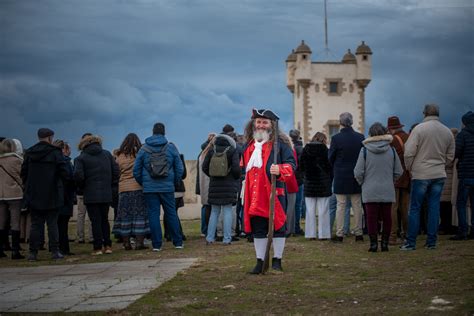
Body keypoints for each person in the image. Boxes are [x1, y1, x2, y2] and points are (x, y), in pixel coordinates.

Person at [242, 108, 296, 273]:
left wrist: (279, 169)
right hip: (255, 195)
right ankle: (260, 261)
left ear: (271, 125)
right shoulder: (249, 147)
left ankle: (277, 260)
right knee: (258, 229)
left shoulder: (281, 145)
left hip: (274, 193)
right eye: (258, 122)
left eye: (264, 122)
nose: (261, 125)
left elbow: (291, 164)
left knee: (278, 228)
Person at [401, 104, 455, 250]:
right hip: (438, 173)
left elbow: (408, 152)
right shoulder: (447, 131)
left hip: (421, 173)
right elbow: (450, 156)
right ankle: (431, 242)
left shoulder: (419, 129)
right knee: (434, 207)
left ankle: (411, 242)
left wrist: (410, 167)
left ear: (424, 113)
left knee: (415, 208)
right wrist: (442, 165)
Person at [133, 122, 184, 251]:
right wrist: (174, 181)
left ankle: (157, 244)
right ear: (164, 132)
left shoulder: (144, 149)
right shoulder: (171, 148)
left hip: (150, 188)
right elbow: (179, 168)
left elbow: (136, 170)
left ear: (152, 132)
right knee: (171, 213)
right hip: (167, 187)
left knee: (153, 215)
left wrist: (143, 183)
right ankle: (178, 242)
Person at [22, 128, 70, 261]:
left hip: (35, 193)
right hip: (52, 192)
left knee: (36, 225)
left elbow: (24, 173)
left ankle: (33, 252)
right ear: (50, 137)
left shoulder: (30, 153)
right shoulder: (55, 152)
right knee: (52, 224)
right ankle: (55, 251)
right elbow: (64, 172)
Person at [354, 123, 403, 252]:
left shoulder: (364, 150)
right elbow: (399, 171)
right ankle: (385, 244)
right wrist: (390, 180)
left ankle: (373, 244)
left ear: (370, 134)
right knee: (387, 217)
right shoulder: (391, 150)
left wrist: (363, 183)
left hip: (370, 189)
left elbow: (358, 172)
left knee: (371, 217)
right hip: (387, 188)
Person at [74, 135, 119, 255]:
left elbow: (78, 176)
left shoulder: (81, 158)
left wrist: (82, 187)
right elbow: (116, 172)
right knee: (104, 220)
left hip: (90, 192)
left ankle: (98, 247)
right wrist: (111, 185)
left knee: (95, 221)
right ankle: (108, 245)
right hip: (106, 192)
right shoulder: (107, 155)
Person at [328, 112, 365, 242]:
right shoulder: (360, 137)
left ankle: (339, 234)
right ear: (352, 122)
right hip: (356, 175)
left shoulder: (336, 138)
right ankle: (359, 233)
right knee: (357, 205)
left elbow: (330, 158)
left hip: (341, 175)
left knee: (341, 205)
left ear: (340, 122)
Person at [113, 133, 150, 250]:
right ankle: (139, 243)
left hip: (123, 189)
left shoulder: (119, 156)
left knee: (125, 216)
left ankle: (126, 243)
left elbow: (116, 172)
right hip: (138, 188)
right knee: (139, 215)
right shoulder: (139, 155)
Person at [202, 133, 241, 245]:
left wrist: (213, 176)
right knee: (227, 211)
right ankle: (227, 238)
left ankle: (210, 238)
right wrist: (233, 178)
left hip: (214, 185)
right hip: (229, 185)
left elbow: (204, 167)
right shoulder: (232, 151)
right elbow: (236, 169)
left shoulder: (211, 151)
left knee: (214, 212)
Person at [300, 132, 332, 240]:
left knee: (310, 210)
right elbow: (329, 167)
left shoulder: (306, 149)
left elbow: (301, 167)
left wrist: (304, 177)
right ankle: (324, 234)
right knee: (323, 211)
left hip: (309, 184)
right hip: (323, 184)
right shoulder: (325, 150)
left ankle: (310, 234)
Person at [387, 116, 411, 244]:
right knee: (405, 207)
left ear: (391, 129)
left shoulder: (392, 140)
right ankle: (407, 234)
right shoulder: (408, 137)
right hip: (407, 175)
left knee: (393, 207)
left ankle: (392, 236)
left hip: (395, 176)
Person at [450, 111, 474, 240]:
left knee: (461, 203)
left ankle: (462, 230)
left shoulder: (462, 135)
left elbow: (457, 153)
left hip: (466, 173)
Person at [0, 139, 25, 259]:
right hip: (14, 193)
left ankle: (1, 248)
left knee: (1, 221)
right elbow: (22, 176)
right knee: (15, 222)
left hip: (1, 194)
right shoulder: (17, 160)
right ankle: (15, 250)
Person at [53, 140, 76, 256]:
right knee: (63, 225)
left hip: (53, 196)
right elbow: (71, 179)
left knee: (54, 224)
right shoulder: (66, 163)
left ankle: (53, 246)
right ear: (64, 149)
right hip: (65, 196)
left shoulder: (50, 161)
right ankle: (64, 248)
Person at [75, 133, 94, 244]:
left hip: (81, 190)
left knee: (81, 215)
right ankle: (92, 236)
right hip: (90, 190)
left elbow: (77, 176)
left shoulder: (79, 159)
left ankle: (81, 236)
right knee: (91, 215)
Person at [196, 134, 215, 237]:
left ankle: (205, 229)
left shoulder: (201, 154)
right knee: (211, 208)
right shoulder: (211, 153)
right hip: (210, 183)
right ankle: (210, 230)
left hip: (203, 184)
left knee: (205, 207)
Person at [289, 129, 304, 235]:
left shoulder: (289, 147)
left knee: (289, 205)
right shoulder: (300, 148)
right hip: (298, 180)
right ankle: (296, 227)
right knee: (297, 205)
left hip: (290, 179)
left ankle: (290, 226)